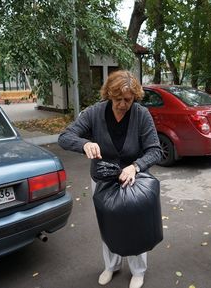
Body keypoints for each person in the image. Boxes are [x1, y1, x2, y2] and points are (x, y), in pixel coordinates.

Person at [58, 70, 162, 288]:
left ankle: (138, 270)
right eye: (118, 99)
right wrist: (84, 144)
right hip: (103, 181)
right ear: (108, 95)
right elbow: (65, 137)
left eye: (128, 99)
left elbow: (155, 150)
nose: (123, 104)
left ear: (135, 97)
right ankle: (111, 266)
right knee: (109, 226)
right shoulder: (94, 113)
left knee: (136, 226)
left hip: (134, 180)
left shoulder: (141, 115)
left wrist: (136, 167)